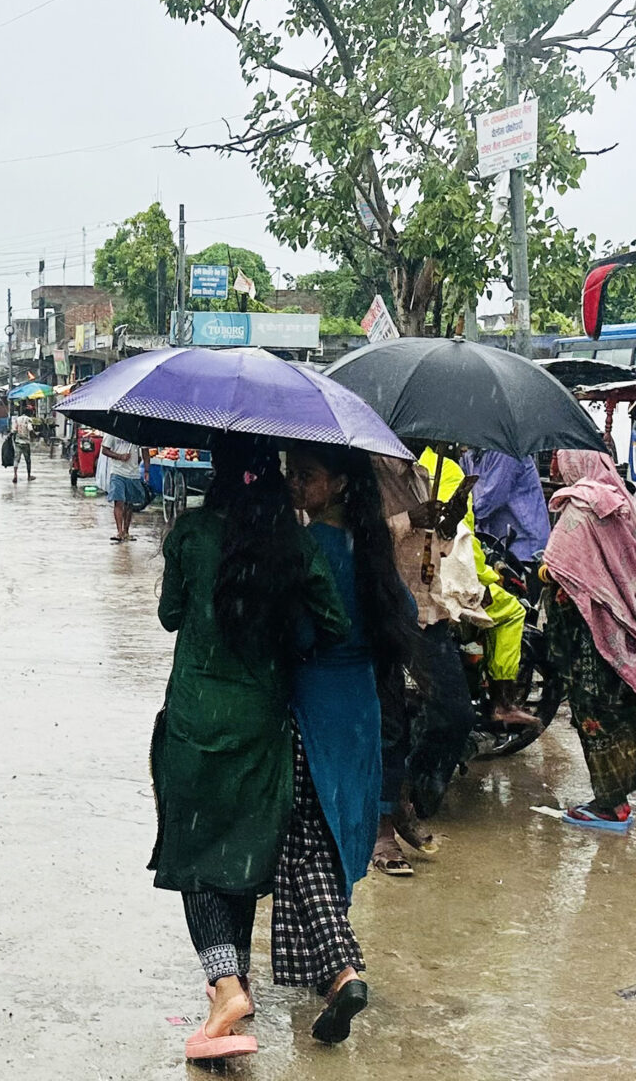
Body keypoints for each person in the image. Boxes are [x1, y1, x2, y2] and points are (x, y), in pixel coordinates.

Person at [150, 436, 348, 1062]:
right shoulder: (293, 542)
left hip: (194, 719)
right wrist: (289, 642)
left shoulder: (189, 532)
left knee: (193, 851)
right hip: (262, 721)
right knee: (236, 851)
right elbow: (335, 623)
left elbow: (170, 615)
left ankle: (228, 985)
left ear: (219, 470)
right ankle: (231, 998)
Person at [275, 445, 418, 1044]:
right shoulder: (373, 550)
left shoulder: (313, 550)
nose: (294, 485)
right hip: (361, 708)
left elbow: (302, 634)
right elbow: (405, 614)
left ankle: (338, 969)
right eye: (292, 475)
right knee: (337, 836)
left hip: (315, 710)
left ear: (335, 484)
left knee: (303, 842)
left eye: (305, 476)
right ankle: (329, 968)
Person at [541, 449, 636, 833]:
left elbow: (559, 569)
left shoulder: (580, 509)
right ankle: (619, 797)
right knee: (619, 711)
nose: (557, 468)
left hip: (589, 637)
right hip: (621, 634)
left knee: (595, 715)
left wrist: (542, 572)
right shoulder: (623, 506)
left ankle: (609, 804)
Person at [373, 452, 476, 875]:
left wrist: (445, 526)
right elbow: (364, 537)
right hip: (382, 609)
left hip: (425, 607)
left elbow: (432, 546)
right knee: (388, 721)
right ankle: (382, 833)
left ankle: (405, 796)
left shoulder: (419, 473)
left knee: (457, 712)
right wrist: (409, 519)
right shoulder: (370, 472)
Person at [423, 449, 536, 731]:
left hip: (416, 575)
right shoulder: (447, 470)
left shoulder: (395, 464)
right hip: (444, 581)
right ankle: (503, 702)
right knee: (512, 612)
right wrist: (487, 576)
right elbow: (462, 543)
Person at [102, 431, 147, 542]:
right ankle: (119, 531)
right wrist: (119, 456)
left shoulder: (138, 432)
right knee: (119, 501)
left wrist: (147, 470)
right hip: (117, 472)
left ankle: (126, 532)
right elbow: (105, 450)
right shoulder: (112, 431)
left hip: (133, 473)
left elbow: (145, 451)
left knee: (129, 504)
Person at [8, 404, 37, 482]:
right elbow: (30, 429)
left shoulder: (17, 419)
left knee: (16, 459)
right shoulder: (28, 419)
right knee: (28, 460)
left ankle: (15, 475)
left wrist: (9, 436)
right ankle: (28, 476)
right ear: (29, 413)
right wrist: (35, 435)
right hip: (26, 442)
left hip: (18, 442)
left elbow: (13, 430)